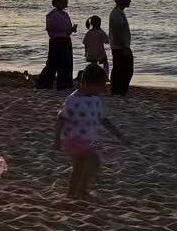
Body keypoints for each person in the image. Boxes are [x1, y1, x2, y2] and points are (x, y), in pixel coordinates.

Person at [53, 63, 124, 200]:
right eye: (100, 85)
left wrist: (117, 133)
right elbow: (61, 118)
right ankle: (82, 190)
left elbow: (103, 119)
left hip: (89, 139)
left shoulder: (96, 100)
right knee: (94, 161)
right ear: (86, 83)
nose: (103, 89)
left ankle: (71, 192)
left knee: (79, 166)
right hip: (74, 139)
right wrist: (57, 137)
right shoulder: (73, 100)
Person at [36, 0, 77, 89]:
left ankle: (64, 84)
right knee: (53, 64)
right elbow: (54, 30)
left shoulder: (65, 14)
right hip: (57, 41)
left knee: (66, 64)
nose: (65, 4)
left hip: (65, 41)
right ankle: (45, 83)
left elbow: (66, 31)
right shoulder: (52, 15)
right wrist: (68, 30)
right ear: (56, 2)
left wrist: (72, 29)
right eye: (63, 2)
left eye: (66, 2)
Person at [109, 0, 133, 96]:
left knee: (120, 69)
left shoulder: (118, 12)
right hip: (120, 47)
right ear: (120, 0)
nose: (130, 1)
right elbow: (117, 32)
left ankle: (118, 90)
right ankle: (119, 90)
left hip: (119, 46)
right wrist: (124, 47)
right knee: (124, 70)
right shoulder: (117, 14)